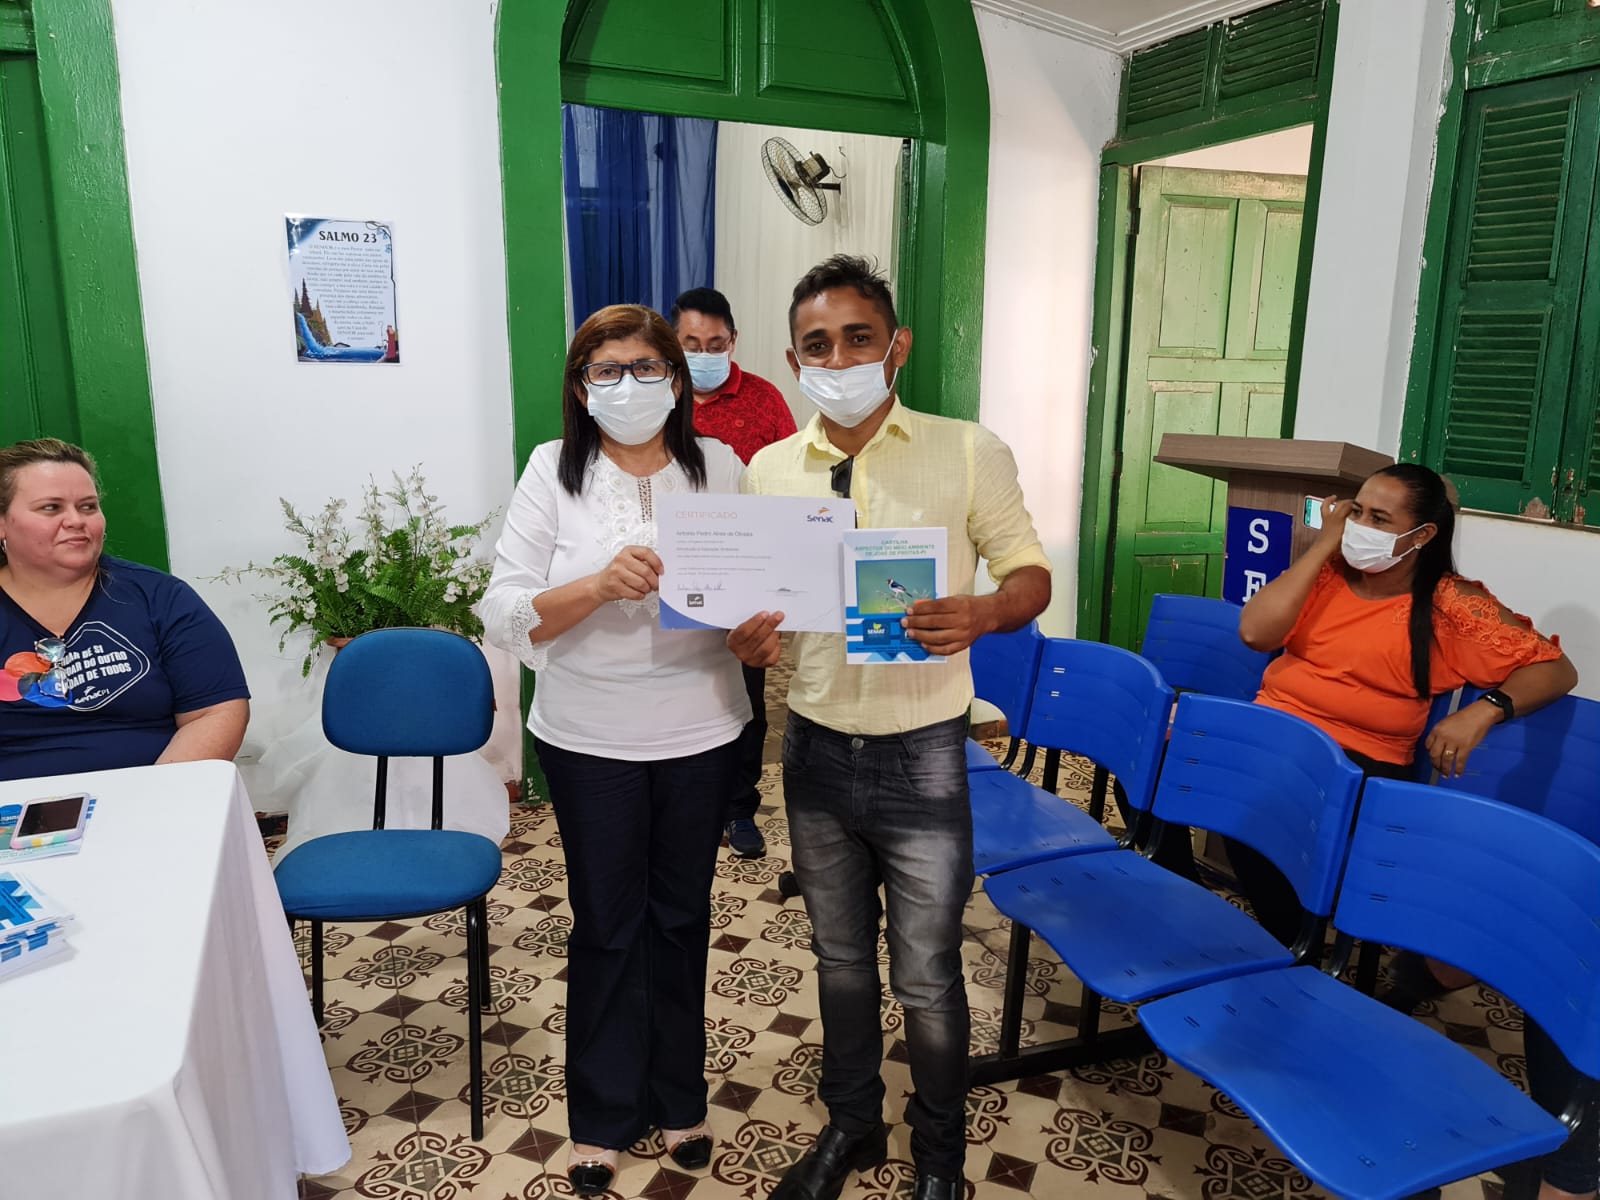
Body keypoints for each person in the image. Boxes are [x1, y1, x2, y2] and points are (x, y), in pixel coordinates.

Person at [728, 256, 1051, 1200]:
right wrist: (748, 640)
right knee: (838, 959)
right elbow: (756, 608)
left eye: (858, 338)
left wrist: (984, 612)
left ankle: (940, 1161)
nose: (839, 360)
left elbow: (1030, 575)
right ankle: (853, 1126)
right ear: (795, 361)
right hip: (816, 745)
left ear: (895, 345)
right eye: (818, 345)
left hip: (923, 752)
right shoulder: (769, 471)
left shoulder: (967, 451)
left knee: (927, 972)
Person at [1238, 463, 1590, 1200]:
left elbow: (1554, 670)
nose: (1359, 526)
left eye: (1379, 518)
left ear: (1423, 535)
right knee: (1202, 788)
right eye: (1355, 509)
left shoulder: (1450, 603)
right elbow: (1255, 631)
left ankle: (1320, 979)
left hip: (1359, 767)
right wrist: (1322, 544)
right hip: (1274, 744)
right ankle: (1299, 964)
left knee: (1279, 837)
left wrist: (1485, 708)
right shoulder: (1326, 572)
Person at [479, 304, 750, 1196]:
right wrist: (595, 585)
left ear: (675, 378)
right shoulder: (551, 470)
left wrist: (761, 634)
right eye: (606, 370)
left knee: (681, 918)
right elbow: (506, 608)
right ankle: (600, 1113)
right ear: (580, 385)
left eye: (646, 367)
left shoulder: (721, 468)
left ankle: (678, 1097)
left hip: (701, 728)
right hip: (589, 737)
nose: (628, 385)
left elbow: (754, 593)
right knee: (606, 923)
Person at [0, 438, 249, 781]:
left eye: (88, 507)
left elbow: (215, 712)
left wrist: (155, 795)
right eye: (51, 508)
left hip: (156, 795)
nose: (75, 520)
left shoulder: (161, 597)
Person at [669, 286, 797, 860]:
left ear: (733, 341)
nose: (703, 354)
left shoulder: (765, 400)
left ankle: (739, 807)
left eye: (715, 343)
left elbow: (790, 482)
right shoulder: (657, 396)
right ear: (673, 341)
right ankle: (681, 805)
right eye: (691, 343)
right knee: (678, 689)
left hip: (745, 575)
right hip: (673, 573)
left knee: (745, 697)